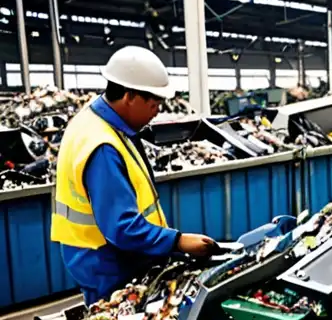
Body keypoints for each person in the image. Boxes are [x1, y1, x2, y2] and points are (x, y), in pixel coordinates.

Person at [51, 46, 218, 304]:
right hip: (109, 266)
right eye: (154, 103)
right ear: (129, 96)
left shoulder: (95, 119)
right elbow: (123, 228)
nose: (158, 111)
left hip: (104, 258)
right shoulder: (103, 147)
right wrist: (179, 241)